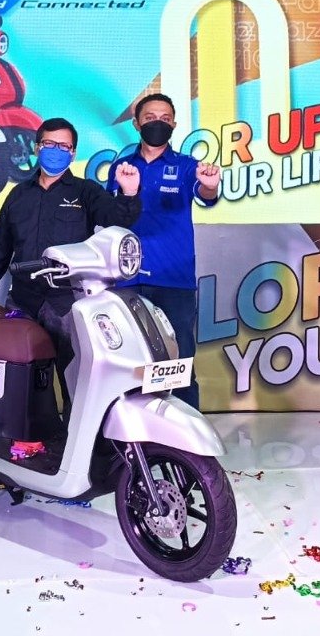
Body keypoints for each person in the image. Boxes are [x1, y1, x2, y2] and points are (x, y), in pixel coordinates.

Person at [0, 117, 142, 404]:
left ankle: (74, 434)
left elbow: (117, 219)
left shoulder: (86, 191)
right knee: (22, 383)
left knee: (76, 381)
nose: (55, 151)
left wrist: (129, 193)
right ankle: (32, 433)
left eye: (63, 146)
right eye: (49, 144)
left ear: (73, 153)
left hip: (68, 304)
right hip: (22, 303)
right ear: (37, 148)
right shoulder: (19, 195)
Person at [108, 93, 221, 408]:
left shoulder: (186, 166)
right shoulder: (122, 167)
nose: (157, 123)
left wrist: (210, 184)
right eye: (150, 118)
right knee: (131, 361)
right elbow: (111, 216)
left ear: (174, 124)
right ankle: (134, 428)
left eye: (165, 119)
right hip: (127, 279)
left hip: (174, 279)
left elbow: (206, 194)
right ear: (136, 124)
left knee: (179, 361)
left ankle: (185, 431)